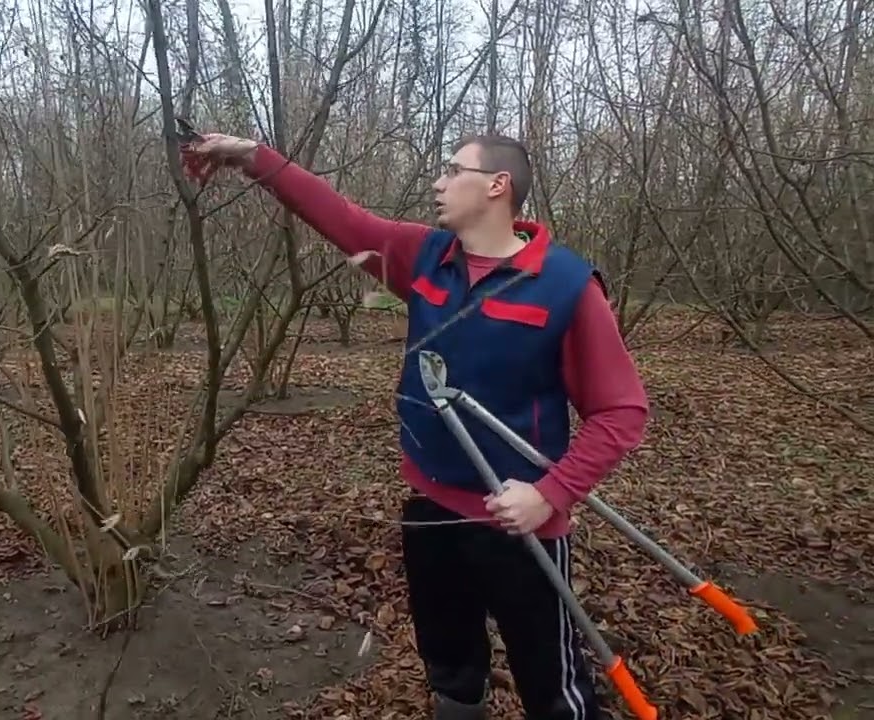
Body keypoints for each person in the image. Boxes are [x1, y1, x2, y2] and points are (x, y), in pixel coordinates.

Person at [181, 132, 649, 720]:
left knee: (551, 680)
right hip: (430, 508)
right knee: (450, 660)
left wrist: (548, 495)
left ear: (497, 186)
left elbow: (622, 410)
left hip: (521, 526)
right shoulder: (425, 256)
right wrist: (254, 158)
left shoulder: (566, 286)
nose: (437, 181)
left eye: (453, 170)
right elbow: (341, 219)